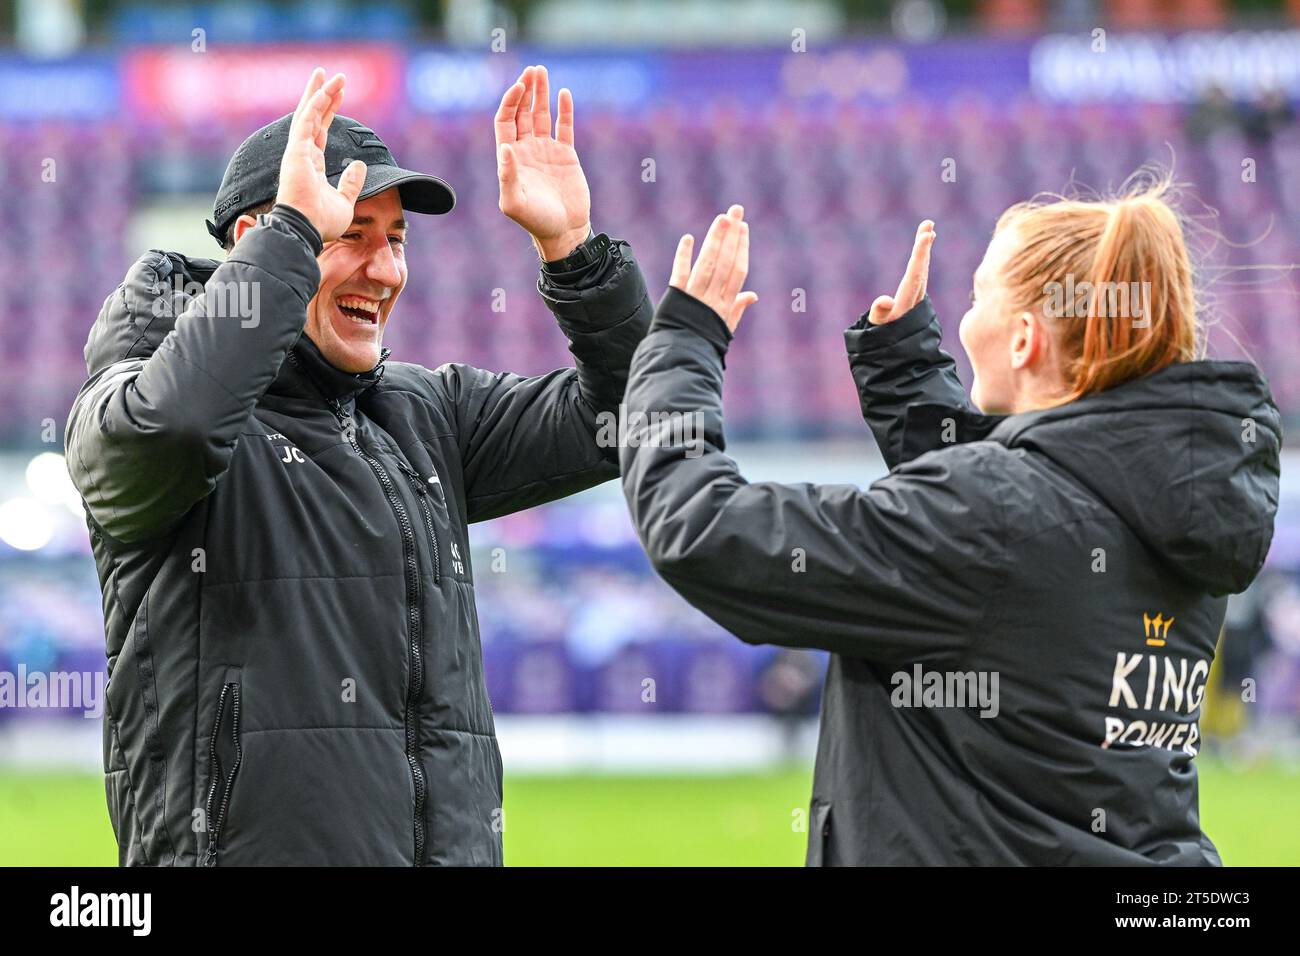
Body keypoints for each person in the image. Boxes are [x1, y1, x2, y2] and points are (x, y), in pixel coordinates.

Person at [65, 66, 653, 866]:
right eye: (352, 234)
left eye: (397, 240)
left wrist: (574, 255)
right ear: (260, 243)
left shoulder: (424, 413)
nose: (387, 270)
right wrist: (291, 242)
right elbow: (172, 433)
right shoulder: (139, 403)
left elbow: (633, 416)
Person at [619, 179, 1282, 865]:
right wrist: (905, 373)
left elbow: (700, 528)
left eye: (976, 298)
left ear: (1023, 339)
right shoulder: (1178, 505)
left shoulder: (998, 519)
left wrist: (683, 343)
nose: (963, 321)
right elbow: (1015, 552)